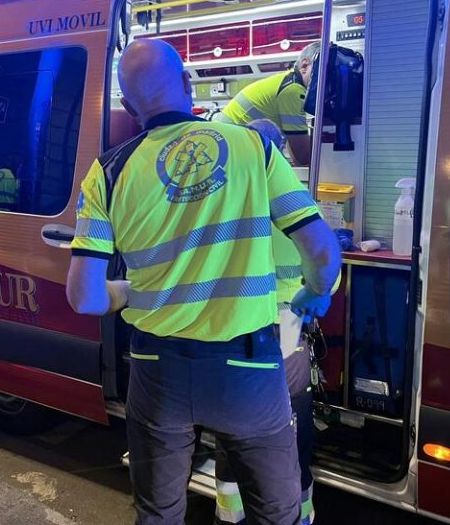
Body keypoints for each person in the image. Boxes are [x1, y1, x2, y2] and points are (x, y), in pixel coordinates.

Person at [66, 39, 340, 525]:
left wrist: (127, 292)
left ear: (128, 104)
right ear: (187, 83)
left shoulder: (106, 172)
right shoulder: (254, 147)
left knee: (158, 512)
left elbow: (84, 297)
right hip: (247, 371)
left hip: (157, 370)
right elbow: (320, 251)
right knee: (277, 512)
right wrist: (314, 292)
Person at [213, 119, 341, 525]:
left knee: (232, 431)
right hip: (285, 331)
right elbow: (328, 269)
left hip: (230, 332)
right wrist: (312, 294)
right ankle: (298, 514)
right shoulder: (295, 205)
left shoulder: (222, 205)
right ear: (280, 153)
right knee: (291, 429)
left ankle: (231, 516)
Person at [214, 42, 320, 166]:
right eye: (322, 72)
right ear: (304, 65)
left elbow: (298, 155)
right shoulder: (293, 91)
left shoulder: (287, 82)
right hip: (230, 149)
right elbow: (303, 157)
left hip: (224, 145)